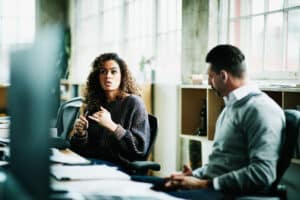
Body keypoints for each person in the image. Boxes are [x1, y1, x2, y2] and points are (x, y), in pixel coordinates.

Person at [164, 44, 285, 197]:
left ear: (223, 76)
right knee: (139, 184)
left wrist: (203, 184)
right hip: (209, 186)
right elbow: (222, 162)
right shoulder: (231, 106)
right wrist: (193, 175)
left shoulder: (260, 110)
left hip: (224, 193)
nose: (209, 82)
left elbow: (263, 173)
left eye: (210, 76)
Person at [69, 53, 150, 170]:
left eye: (113, 71)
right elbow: (79, 149)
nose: (108, 76)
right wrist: (81, 134)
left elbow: (139, 150)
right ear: (97, 76)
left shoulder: (134, 103)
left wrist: (112, 126)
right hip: (90, 163)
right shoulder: (94, 103)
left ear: (122, 75)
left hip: (118, 167)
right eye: (103, 71)